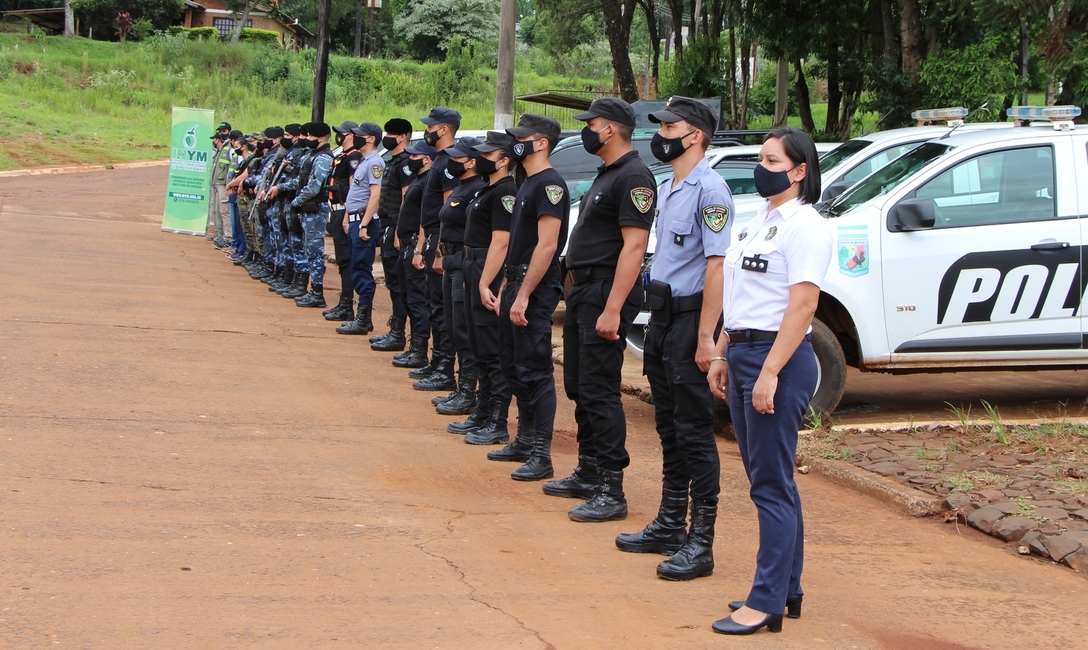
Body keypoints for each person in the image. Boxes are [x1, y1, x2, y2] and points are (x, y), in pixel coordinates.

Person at [707, 128, 832, 636]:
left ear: (800, 171)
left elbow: (803, 306)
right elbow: (739, 298)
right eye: (761, 158)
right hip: (743, 350)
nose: (762, 168)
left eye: (772, 160)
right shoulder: (760, 221)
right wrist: (721, 351)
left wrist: (770, 372)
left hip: (776, 358)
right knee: (772, 479)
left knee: (770, 485)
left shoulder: (807, 226)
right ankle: (786, 589)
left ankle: (766, 600)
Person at [614, 97, 732, 582]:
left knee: (694, 430)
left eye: (670, 127)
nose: (661, 135)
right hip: (661, 319)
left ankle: (701, 541)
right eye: (660, 126)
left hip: (689, 322)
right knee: (668, 426)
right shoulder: (669, 186)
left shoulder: (712, 190)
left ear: (695, 135)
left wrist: (707, 338)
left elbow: (716, 267)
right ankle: (669, 523)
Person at [548, 97, 654, 522]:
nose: (586, 131)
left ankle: (612, 488)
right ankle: (589, 470)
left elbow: (634, 246)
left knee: (600, 389)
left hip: (605, 291)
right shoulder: (608, 172)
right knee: (579, 385)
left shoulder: (634, 176)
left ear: (609, 129)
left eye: (591, 125)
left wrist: (613, 309)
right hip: (584, 290)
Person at [491, 114, 569, 480]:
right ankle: (523, 440)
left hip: (534, 287)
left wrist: (524, 294)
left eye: (521, 137)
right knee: (513, 365)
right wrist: (507, 284)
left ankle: (541, 453)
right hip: (516, 281)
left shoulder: (550, 184)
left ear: (541, 143)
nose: (515, 143)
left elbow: (547, 246)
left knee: (535, 369)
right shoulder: (527, 181)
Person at [450, 131, 517, 445]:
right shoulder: (487, 189)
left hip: (485, 267)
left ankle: (497, 420)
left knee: (491, 350)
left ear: (503, 161)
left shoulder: (505, 192)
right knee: (477, 346)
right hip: (472, 264)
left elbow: (501, 242)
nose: (480, 159)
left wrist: (485, 281)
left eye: (488, 155)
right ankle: (482, 411)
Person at [432, 136, 486, 416]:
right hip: (450, 259)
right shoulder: (461, 186)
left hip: (465, 262)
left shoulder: (477, 189)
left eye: (457, 158)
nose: (451, 162)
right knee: (453, 325)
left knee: (464, 329)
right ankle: (461, 384)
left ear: (472, 162)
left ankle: (468, 390)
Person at [411, 107, 461, 392]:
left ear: (443, 129)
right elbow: (427, 210)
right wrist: (421, 246)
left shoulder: (450, 162)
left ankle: (445, 368)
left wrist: (441, 249)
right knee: (433, 304)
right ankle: (436, 360)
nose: (427, 132)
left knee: (442, 309)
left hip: (440, 239)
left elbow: (448, 210)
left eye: (431, 127)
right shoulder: (440, 159)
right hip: (430, 237)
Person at [370, 118, 417, 351]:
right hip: (386, 224)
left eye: (391, 134)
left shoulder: (406, 163)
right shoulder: (392, 161)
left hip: (396, 227)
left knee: (399, 284)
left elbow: (406, 198)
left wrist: (400, 230)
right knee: (392, 280)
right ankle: (395, 329)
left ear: (402, 136)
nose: (387, 137)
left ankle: (399, 334)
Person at [336, 122, 385, 335]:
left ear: (371, 138)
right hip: (356, 219)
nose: (355, 138)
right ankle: (362, 317)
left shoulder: (375, 162)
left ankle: (363, 317)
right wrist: (349, 217)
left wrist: (364, 224)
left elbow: (375, 196)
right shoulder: (364, 161)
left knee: (361, 268)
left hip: (365, 222)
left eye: (359, 135)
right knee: (355, 267)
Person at [390, 140, 436, 369]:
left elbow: (425, 218)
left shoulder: (428, 181)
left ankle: (420, 350)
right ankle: (413, 346)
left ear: (427, 159)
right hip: (406, 243)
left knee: (418, 301)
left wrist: (419, 248)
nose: (410, 160)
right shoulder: (418, 180)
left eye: (415, 156)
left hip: (416, 245)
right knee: (408, 297)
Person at [292, 122, 335, 309]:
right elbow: (301, 180)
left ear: (320, 138)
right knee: (308, 249)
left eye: (310, 136)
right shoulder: (313, 155)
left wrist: (297, 201)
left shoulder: (323, 157)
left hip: (316, 209)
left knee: (315, 252)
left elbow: (314, 186)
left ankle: (317, 292)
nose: (307, 139)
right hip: (309, 209)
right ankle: (311, 290)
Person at [322, 120, 362, 321]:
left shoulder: (354, 157)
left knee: (347, 260)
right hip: (337, 210)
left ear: (351, 135)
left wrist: (347, 213)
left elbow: (353, 188)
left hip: (345, 211)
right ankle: (344, 302)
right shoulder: (342, 156)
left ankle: (348, 304)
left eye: (342, 133)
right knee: (342, 260)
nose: (338, 136)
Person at [207, 132, 233, 249]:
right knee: (217, 210)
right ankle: (220, 234)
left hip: (223, 184)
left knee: (224, 211)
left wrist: (228, 184)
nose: (214, 141)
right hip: (217, 183)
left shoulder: (228, 149)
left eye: (215, 139)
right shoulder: (220, 150)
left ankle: (227, 237)